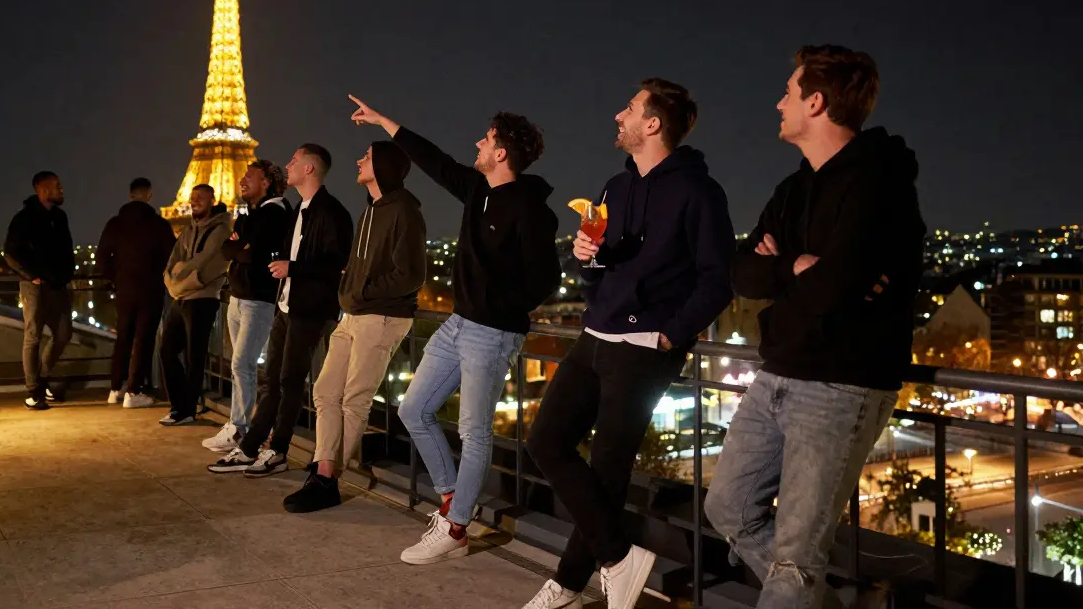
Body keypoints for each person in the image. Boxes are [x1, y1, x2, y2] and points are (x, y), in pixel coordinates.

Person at [704, 45, 924, 609]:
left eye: (788, 91)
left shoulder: (880, 182)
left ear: (817, 102)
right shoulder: (794, 189)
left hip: (841, 384)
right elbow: (742, 271)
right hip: (777, 372)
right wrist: (795, 267)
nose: (779, 102)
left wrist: (802, 273)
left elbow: (838, 287)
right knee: (727, 509)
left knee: (796, 560)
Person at [523, 80, 735, 609]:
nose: (619, 115)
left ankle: (570, 583)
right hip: (595, 334)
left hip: (645, 345)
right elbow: (597, 272)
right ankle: (619, 556)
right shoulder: (614, 189)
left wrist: (672, 331)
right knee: (545, 442)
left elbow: (718, 278)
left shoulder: (698, 191)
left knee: (607, 471)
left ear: (653, 124)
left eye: (630, 108)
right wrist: (588, 255)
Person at [347, 96, 560, 565]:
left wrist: (500, 309)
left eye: (486, 140)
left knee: (474, 430)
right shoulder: (476, 189)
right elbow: (433, 160)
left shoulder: (531, 210)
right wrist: (386, 120)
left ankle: (457, 527)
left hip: (492, 332)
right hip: (457, 323)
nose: (477, 144)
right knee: (413, 409)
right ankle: (451, 499)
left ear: (501, 152)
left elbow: (546, 277)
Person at [284, 140, 426, 513]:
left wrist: (360, 291)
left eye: (367, 156)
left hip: (380, 316)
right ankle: (323, 466)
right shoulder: (372, 210)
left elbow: (410, 274)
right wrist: (352, 291)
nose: (359, 160)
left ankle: (327, 478)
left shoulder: (406, 211)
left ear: (383, 166)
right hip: (354, 314)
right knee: (325, 391)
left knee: (354, 398)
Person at [208, 144, 353, 477]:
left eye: (294, 161)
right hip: (286, 307)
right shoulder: (300, 210)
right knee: (271, 379)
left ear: (310, 169)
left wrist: (294, 268)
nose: (287, 165)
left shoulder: (331, 213)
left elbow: (337, 263)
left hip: (310, 310)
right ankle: (249, 448)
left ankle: (278, 450)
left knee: (288, 380)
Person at [202, 160, 293, 452]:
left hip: (258, 300)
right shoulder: (251, 214)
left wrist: (242, 248)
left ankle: (240, 428)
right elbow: (230, 249)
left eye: (249, 177)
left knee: (243, 364)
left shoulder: (275, 213)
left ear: (266, 181)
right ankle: (238, 425)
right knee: (239, 366)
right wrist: (241, 247)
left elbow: (252, 256)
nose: (242, 180)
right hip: (239, 297)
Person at [97, 177, 176, 409]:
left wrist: (117, 279)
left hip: (124, 290)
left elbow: (102, 260)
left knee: (123, 337)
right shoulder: (158, 225)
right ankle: (134, 391)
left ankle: (115, 389)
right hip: (150, 289)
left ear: (131, 196)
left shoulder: (114, 224)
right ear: (149, 195)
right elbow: (172, 257)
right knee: (143, 339)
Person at [159, 184, 232, 426]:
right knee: (166, 350)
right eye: (193, 197)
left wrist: (179, 277)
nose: (194, 200)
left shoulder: (221, 230)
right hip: (182, 299)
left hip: (203, 300)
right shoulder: (189, 230)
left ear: (213, 199)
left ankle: (187, 408)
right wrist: (176, 280)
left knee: (194, 356)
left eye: (201, 197)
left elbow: (206, 266)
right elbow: (173, 262)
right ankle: (178, 405)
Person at [4, 170, 74, 411]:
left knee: (63, 333)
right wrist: (31, 276)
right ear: (44, 190)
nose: (62, 189)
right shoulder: (24, 218)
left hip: (58, 285)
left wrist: (67, 275)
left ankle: (41, 380)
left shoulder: (60, 217)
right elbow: (10, 253)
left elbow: (67, 250)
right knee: (33, 336)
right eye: (57, 186)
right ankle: (33, 390)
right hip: (35, 286)